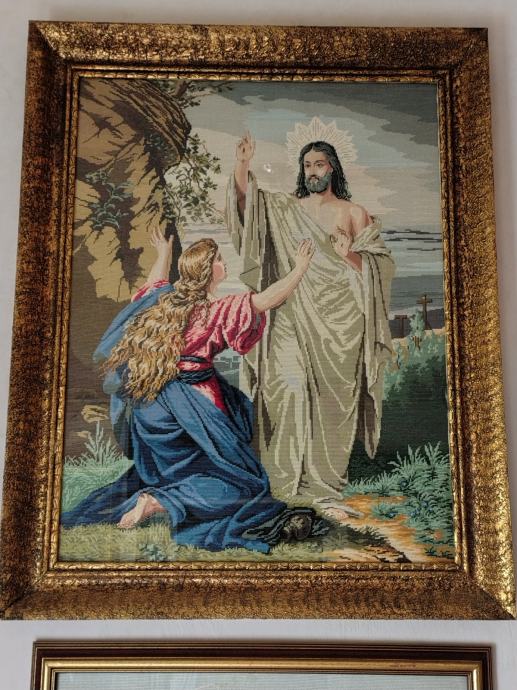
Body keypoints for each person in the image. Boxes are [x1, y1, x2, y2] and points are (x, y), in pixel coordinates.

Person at [61, 228, 328, 554]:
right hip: (191, 405)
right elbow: (267, 299)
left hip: (151, 410)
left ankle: (162, 494)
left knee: (188, 467)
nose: (223, 263)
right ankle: (160, 501)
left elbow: (154, 284)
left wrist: (163, 254)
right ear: (207, 271)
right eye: (218, 259)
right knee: (246, 484)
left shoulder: (165, 301)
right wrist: (300, 268)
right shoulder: (215, 311)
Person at [226, 133, 395, 515]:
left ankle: (322, 489)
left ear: (332, 168)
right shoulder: (285, 208)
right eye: (307, 166)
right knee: (286, 387)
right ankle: (280, 486)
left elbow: (382, 268)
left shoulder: (354, 213)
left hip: (341, 325)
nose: (313, 172)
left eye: (319, 164)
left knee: (331, 404)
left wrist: (350, 255)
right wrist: (242, 164)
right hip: (288, 315)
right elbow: (246, 211)